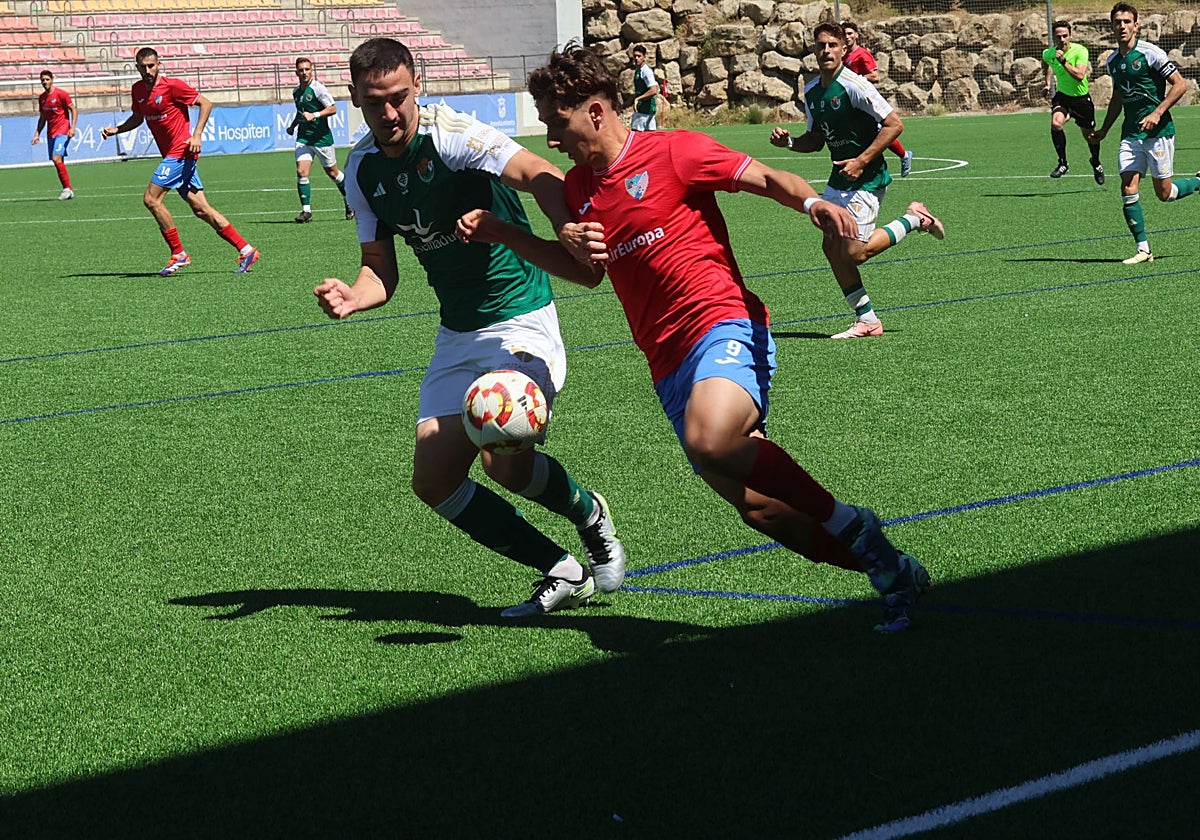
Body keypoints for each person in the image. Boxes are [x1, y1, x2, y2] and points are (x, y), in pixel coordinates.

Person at [459, 41, 931, 633]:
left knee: (711, 440)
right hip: (665, 360)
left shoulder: (674, 152)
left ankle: (851, 521)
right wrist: (504, 232)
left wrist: (811, 201)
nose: (551, 139)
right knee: (761, 510)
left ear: (597, 112)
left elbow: (765, 176)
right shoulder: (579, 190)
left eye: (559, 123)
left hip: (724, 322)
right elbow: (586, 272)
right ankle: (890, 570)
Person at [312, 38, 626, 618]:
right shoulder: (362, 170)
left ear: (417, 88)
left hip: (520, 318)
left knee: (501, 460)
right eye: (375, 102)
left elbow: (540, 172)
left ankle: (589, 514)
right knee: (432, 480)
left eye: (400, 98)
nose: (390, 113)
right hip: (458, 333)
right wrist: (356, 297)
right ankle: (561, 568)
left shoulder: (451, 134)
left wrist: (566, 231)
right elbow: (380, 270)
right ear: (354, 98)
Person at [769, 22, 946, 340]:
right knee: (830, 247)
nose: (826, 51)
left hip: (868, 177)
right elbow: (815, 139)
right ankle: (867, 320)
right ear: (814, 49)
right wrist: (790, 143)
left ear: (843, 49)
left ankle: (914, 219)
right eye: (821, 45)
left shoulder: (855, 86)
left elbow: (894, 125)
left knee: (854, 253)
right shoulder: (812, 92)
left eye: (832, 45)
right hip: (839, 180)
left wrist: (862, 160)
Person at [101, 48, 259, 276]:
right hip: (171, 155)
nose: (148, 70)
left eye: (151, 65)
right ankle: (247, 250)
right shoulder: (137, 90)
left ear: (159, 64)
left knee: (151, 199)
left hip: (181, 152)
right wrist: (117, 129)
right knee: (201, 209)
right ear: (136, 67)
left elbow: (205, 103)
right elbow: (137, 117)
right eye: (143, 66)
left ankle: (178, 253)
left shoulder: (172, 86)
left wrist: (196, 135)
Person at [1089, 3, 1200, 264]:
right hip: (1131, 134)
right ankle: (1143, 249)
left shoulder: (1151, 54)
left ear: (1136, 25)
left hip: (1159, 132)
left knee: (1165, 193)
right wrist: (1104, 129)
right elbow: (1118, 96)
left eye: (1127, 21)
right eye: (1118, 21)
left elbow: (1180, 85)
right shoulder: (1113, 61)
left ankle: (1198, 182)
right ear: (1112, 26)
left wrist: (1157, 113)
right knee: (1128, 186)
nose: (1122, 26)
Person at [286, 57, 354, 223]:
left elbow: (333, 108)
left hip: (321, 138)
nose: (304, 73)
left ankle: (350, 201)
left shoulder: (318, 89)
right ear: (296, 73)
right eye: (301, 70)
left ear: (311, 70)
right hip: (304, 138)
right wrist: (293, 125)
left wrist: (315, 115)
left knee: (333, 173)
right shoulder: (296, 92)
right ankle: (306, 211)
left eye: (307, 69)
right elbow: (301, 112)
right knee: (302, 172)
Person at [841, 22, 913, 177]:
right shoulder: (843, 55)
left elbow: (875, 76)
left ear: (856, 35)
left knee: (879, 131)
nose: (847, 37)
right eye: (844, 34)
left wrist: (856, 79)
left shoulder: (862, 54)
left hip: (865, 99)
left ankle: (904, 156)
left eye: (850, 33)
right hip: (851, 101)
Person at [1042, 20, 1105, 183]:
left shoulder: (1080, 51)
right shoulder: (1049, 54)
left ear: (1070, 36)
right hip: (1063, 97)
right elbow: (1048, 64)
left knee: (1091, 137)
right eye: (1058, 37)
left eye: (1065, 36)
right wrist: (1047, 83)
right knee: (1056, 124)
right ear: (1053, 38)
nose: (1062, 39)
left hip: (1082, 100)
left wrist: (1063, 61)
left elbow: (1079, 76)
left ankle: (1096, 162)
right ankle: (1063, 163)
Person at [32, 69, 77, 200]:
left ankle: (67, 189)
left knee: (56, 158)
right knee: (57, 161)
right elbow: (42, 118)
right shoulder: (42, 98)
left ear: (52, 80)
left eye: (47, 79)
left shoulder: (61, 94)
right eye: (42, 80)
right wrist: (37, 134)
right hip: (51, 133)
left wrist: (72, 127)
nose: (45, 82)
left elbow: (74, 109)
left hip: (63, 130)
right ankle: (68, 189)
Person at [629, 45, 658, 131]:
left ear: (644, 57)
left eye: (639, 56)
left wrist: (638, 99)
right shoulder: (638, 70)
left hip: (646, 112)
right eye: (635, 56)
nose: (636, 58)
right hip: (640, 111)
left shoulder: (646, 71)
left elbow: (653, 90)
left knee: (644, 139)